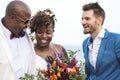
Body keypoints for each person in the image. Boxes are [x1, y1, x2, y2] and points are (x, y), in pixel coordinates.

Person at [81, 2, 120, 80]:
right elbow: (89, 73)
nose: (83, 22)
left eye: (87, 19)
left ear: (99, 20)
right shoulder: (85, 43)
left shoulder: (116, 39)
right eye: (82, 19)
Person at [0, 1, 36, 80]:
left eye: (29, 21)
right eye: (26, 22)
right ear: (12, 18)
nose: (28, 26)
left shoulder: (25, 35)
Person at [30, 9, 68, 73]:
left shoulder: (59, 50)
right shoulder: (29, 50)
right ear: (35, 32)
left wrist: (56, 68)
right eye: (40, 32)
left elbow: (69, 73)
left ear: (53, 32)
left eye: (48, 33)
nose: (44, 36)